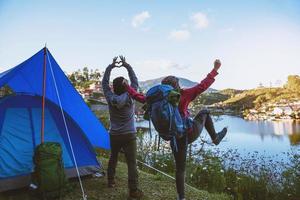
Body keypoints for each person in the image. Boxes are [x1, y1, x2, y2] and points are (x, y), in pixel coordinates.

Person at [124, 59, 227, 200]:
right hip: (189, 133)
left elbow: (138, 96)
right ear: (176, 86)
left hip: (173, 137)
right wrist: (214, 70)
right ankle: (215, 138)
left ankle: (181, 198)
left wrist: (127, 87)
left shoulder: (155, 99)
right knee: (204, 111)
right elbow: (202, 86)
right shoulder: (183, 94)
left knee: (180, 169)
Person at [102, 56, 143, 199]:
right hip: (129, 134)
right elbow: (135, 81)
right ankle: (133, 190)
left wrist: (111, 66)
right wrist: (127, 65)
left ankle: (111, 180)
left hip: (114, 134)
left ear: (113, 87)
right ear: (126, 86)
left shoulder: (109, 96)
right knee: (132, 163)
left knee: (113, 157)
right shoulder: (130, 96)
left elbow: (104, 83)